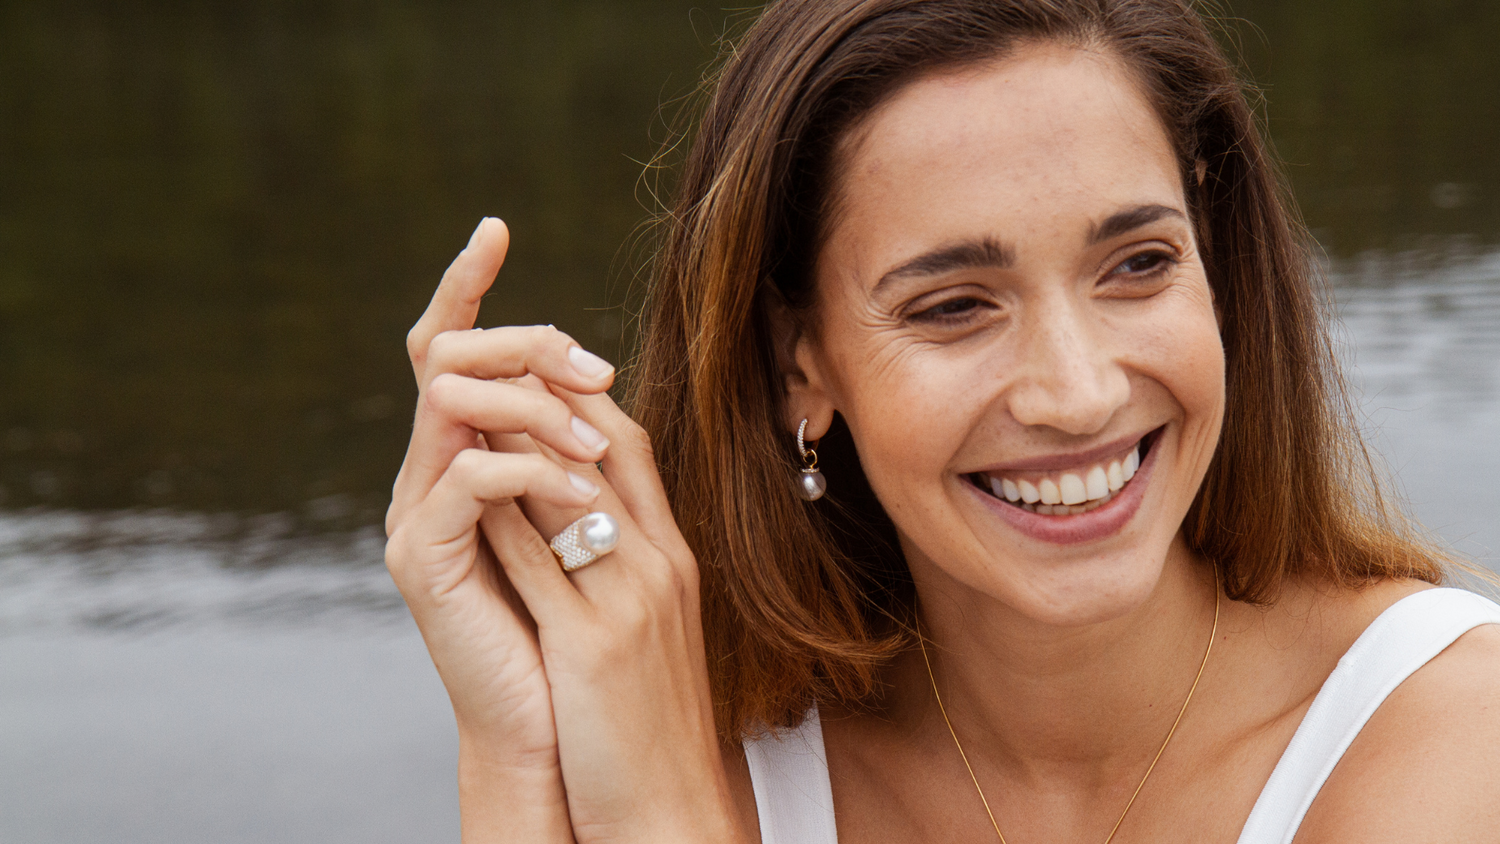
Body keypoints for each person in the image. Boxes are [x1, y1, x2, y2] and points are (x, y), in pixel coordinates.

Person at [383, 1, 1500, 841]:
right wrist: (514, 752)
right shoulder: (680, 755)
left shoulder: (1453, 739)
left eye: (1138, 264)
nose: (1079, 392)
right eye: (955, 306)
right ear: (797, 364)